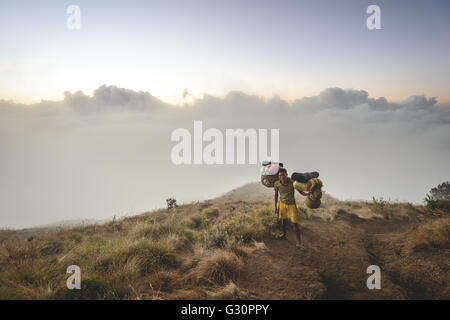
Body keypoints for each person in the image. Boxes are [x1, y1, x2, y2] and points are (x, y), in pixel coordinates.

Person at [273, 168, 305, 249]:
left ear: (287, 175)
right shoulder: (277, 184)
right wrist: (275, 207)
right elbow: (276, 195)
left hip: (291, 205)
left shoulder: (292, 183)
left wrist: (307, 194)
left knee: (295, 224)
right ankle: (283, 235)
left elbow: (301, 192)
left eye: (283, 175)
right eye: (280, 175)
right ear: (278, 177)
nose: (282, 177)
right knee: (283, 220)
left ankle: (299, 243)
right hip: (282, 204)